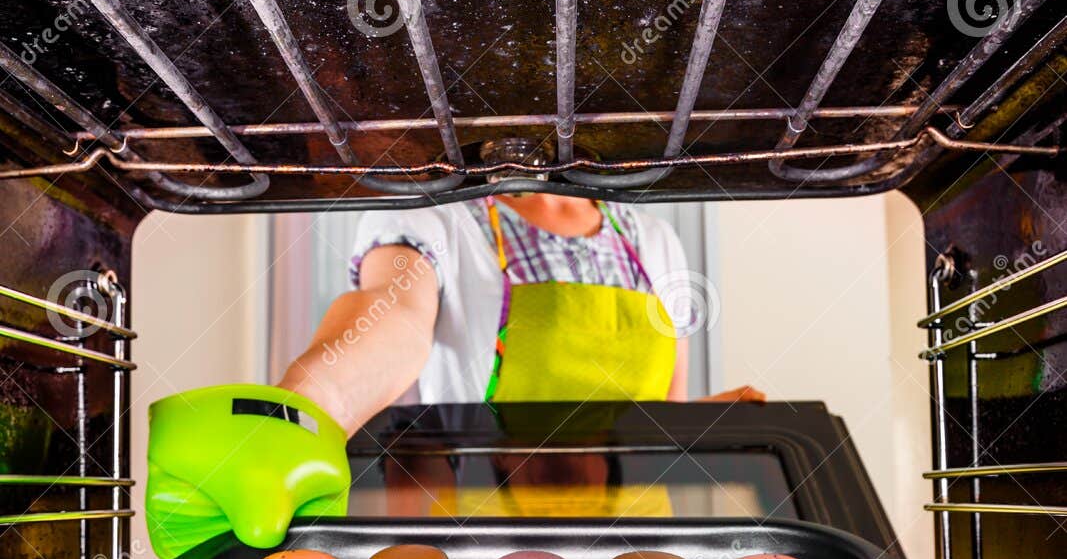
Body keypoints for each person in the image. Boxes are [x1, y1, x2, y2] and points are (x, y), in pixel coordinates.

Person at [279, 179, 762, 433]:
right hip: (490, 536)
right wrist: (293, 418)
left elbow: (660, 422)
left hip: (642, 545)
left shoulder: (654, 239)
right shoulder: (436, 218)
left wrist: (710, 423)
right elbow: (391, 314)